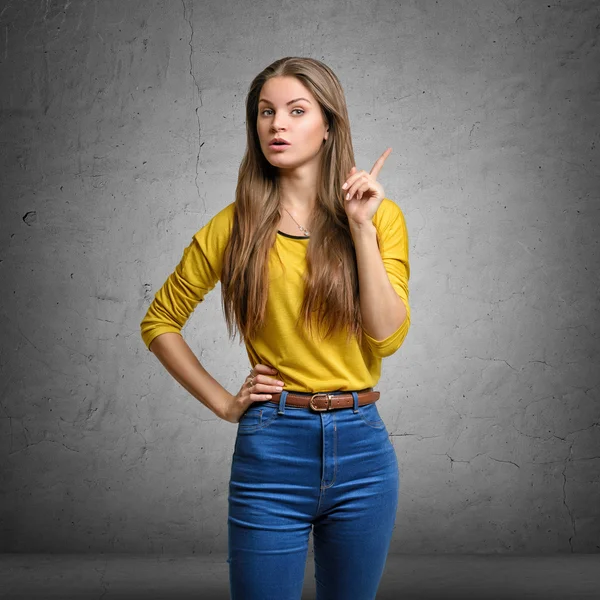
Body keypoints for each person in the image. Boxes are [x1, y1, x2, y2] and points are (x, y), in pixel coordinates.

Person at [140, 56, 411, 600]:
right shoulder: (232, 226)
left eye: (295, 110)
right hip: (272, 450)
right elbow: (159, 321)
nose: (276, 124)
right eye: (265, 112)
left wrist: (359, 229)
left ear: (328, 124)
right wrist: (224, 403)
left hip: (363, 449)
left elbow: (387, 336)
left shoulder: (380, 218)